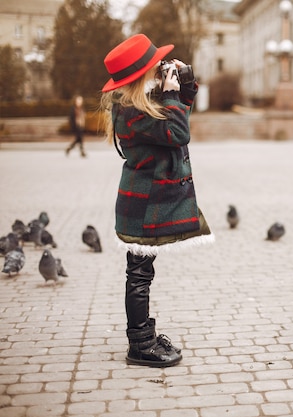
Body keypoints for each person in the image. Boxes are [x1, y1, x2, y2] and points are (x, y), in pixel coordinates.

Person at [100, 34, 214, 368]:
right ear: (139, 77)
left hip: (148, 201)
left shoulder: (141, 105)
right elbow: (179, 132)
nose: (159, 71)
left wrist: (185, 83)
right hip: (144, 205)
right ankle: (139, 343)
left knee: (141, 272)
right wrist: (171, 92)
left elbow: (179, 116)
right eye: (154, 67)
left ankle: (144, 335)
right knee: (138, 274)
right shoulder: (133, 112)